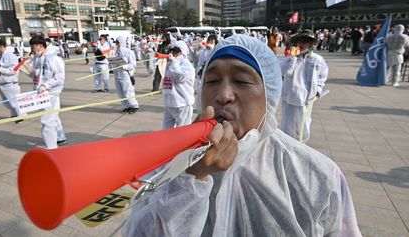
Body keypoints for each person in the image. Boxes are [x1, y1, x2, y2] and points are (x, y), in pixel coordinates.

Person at [120, 35, 361, 236]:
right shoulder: (166, 168)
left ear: (269, 94)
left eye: (242, 81)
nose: (223, 95)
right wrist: (190, 178)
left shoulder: (316, 174)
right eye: (212, 81)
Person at [280, 29, 328, 143]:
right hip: (289, 97)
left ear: (311, 43)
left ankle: (302, 145)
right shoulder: (288, 59)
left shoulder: (317, 59)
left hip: (307, 98)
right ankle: (287, 145)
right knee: (287, 125)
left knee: (304, 125)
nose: (301, 44)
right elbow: (282, 72)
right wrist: (292, 59)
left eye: (305, 41)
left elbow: (323, 75)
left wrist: (319, 88)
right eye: (299, 41)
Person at [29, 35, 67, 148]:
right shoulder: (37, 59)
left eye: (33, 47)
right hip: (40, 93)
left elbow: (60, 77)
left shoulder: (53, 59)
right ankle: (59, 138)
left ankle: (51, 147)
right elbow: (38, 75)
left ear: (40, 46)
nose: (31, 49)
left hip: (50, 94)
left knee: (47, 121)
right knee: (53, 117)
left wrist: (46, 85)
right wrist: (28, 70)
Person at [0, 39, 25, 123]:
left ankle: (21, 116)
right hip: (1, 82)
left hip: (10, 83)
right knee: (7, 102)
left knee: (14, 102)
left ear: (0, 46)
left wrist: (1, 70)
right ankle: (14, 115)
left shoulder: (11, 56)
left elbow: (13, 70)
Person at [162, 41, 195, 129]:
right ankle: (167, 142)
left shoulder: (186, 64)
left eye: (176, 51)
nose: (173, 54)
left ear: (182, 52)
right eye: (172, 51)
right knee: (166, 129)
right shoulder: (169, 63)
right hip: (169, 102)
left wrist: (174, 63)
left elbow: (181, 78)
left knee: (183, 130)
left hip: (182, 103)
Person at [110, 36, 139, 114]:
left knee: (128, 91)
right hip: (117, 74)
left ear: (121, 43)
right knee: (120, 92)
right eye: (116, 43)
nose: (117, 44)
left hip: (125, 74)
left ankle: (134, 106)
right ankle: (126, 106)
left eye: (118, 43)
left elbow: (133, 64)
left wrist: (124, 66)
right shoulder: (115, 52)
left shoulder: (129, 52)